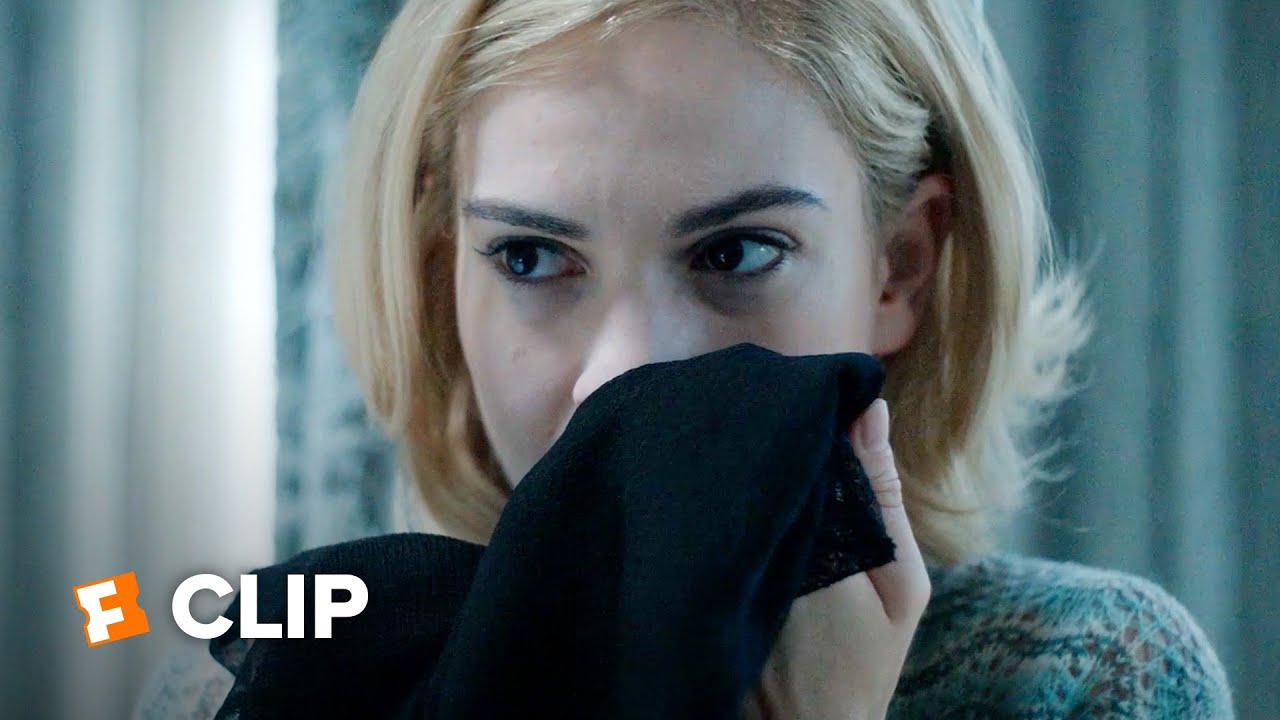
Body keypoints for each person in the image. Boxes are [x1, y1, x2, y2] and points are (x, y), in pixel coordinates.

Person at [136, 0, 1234, 717]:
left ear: (898, 268)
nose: (622, 376)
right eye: (530, 257)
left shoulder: (1085, 677)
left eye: (736, 253)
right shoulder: (242, 666)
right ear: (441, 282)